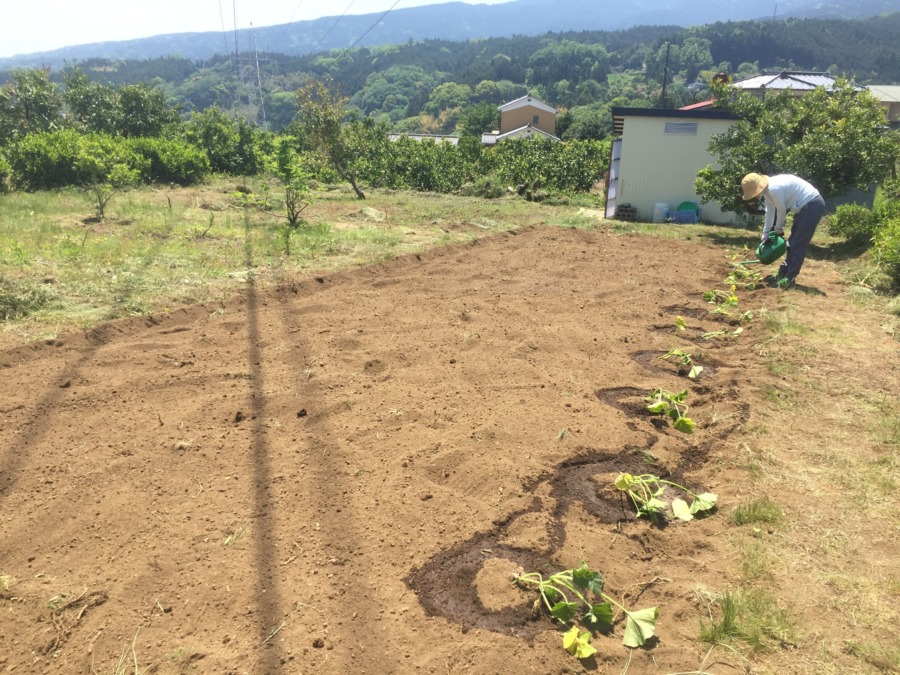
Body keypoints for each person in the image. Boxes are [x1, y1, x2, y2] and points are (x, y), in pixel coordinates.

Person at [741, 172, 826, 289]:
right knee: (791, 243)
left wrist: (778, 229)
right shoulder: (767, 192)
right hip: (803, 208)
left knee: (798, 243)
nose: (754, 197)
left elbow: (781, 210)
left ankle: (789, 278)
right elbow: (770, 212)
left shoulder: (774, 188)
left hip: (812, 205)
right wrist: (765, 234)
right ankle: (782, 274)